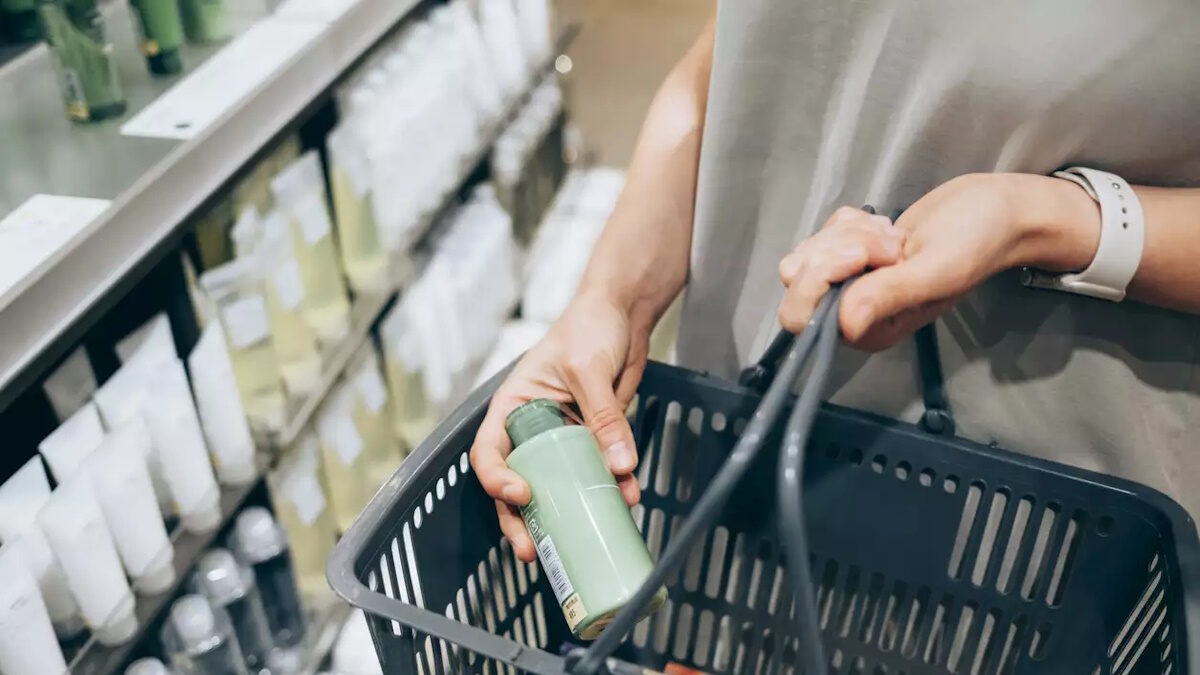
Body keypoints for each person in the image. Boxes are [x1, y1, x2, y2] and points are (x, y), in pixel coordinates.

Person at [472, 2, 1200, 562]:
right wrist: (612, 300)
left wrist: (1045, 218)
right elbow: (728, 64)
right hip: (744, 457)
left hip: (1044, 527)